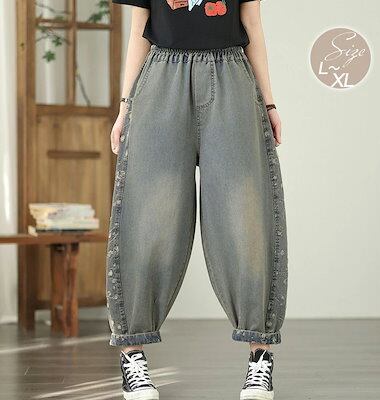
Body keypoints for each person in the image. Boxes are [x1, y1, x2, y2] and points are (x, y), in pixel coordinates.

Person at [106, 0, 288, 399]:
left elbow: (252, 26)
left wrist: (270, 103)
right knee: (148, 217)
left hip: (232, 79)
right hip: (161, 79)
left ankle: (260, 357)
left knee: (245, 217)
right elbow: (139, 32)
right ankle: (132, 356)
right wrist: (125, 107)